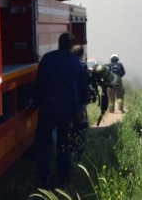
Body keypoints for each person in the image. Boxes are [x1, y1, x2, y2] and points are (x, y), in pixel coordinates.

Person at [31, 33, 90, 190]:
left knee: (43, 145)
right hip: (67, 111)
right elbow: (83, 87)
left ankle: (44, 180)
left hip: (48, 108)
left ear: (59, 44)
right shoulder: (75, 62)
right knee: (64, 144)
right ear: (71, 46)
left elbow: (39, 83)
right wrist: (81, 108)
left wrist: (35, 103)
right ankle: (63, 179)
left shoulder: (47, 59)